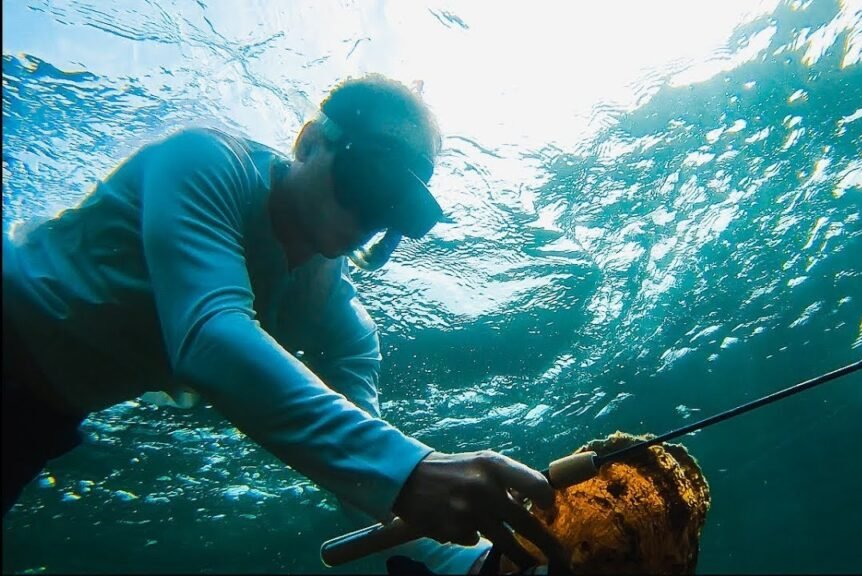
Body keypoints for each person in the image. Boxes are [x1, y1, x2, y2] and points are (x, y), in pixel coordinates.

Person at [2, 74, 567, 574]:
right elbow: (209, 333)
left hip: (39, 423)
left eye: (397, 208)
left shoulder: (343, 324)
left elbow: (361, 473)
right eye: (371, 179)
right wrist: (410, 467)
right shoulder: (203, 160)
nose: (372, 218)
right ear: (309, 141)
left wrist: (475, 564)